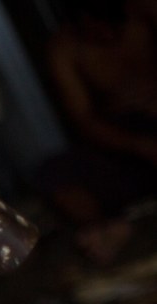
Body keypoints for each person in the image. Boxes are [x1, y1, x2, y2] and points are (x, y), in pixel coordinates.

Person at [39, 0, 157, 262]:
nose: (106, 36)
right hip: (122, 141)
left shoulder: (146, 13)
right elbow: (85, 120)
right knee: (55, 174)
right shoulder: (64, 50)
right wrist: (139, 145)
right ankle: (108, 230)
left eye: (112, 26)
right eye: (97, 29)